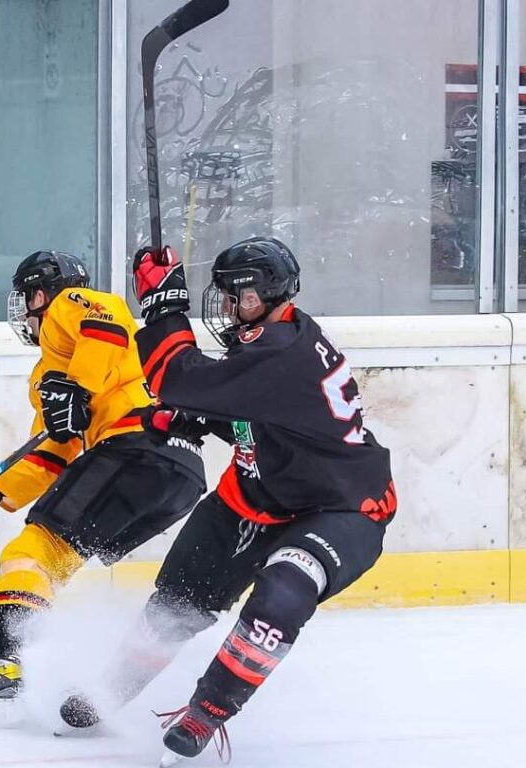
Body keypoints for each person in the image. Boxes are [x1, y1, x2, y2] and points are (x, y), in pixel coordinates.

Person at [58, 237, 395, 765]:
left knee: (285, 589)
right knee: (179, 598)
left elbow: (175, 377)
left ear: (267, 295)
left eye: (240, 297)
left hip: (342, 507)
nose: (230, 307)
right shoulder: (268, 341)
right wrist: (199, 416)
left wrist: (164, 308)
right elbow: (258, 412)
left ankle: (208, 709)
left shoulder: (283, 351)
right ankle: (111, 689)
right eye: (228, 297)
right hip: (256, 493)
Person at [0, 250, 206, 724]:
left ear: (40, 293)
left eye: (26, 298)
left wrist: (78, 387)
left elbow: (109, 320)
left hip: (136, 447)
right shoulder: (49, 375)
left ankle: (8, 668)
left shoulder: (70, 309)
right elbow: (52, 453)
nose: (24, 312)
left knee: (33, 551)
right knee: (55, 559)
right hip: (179, 472)